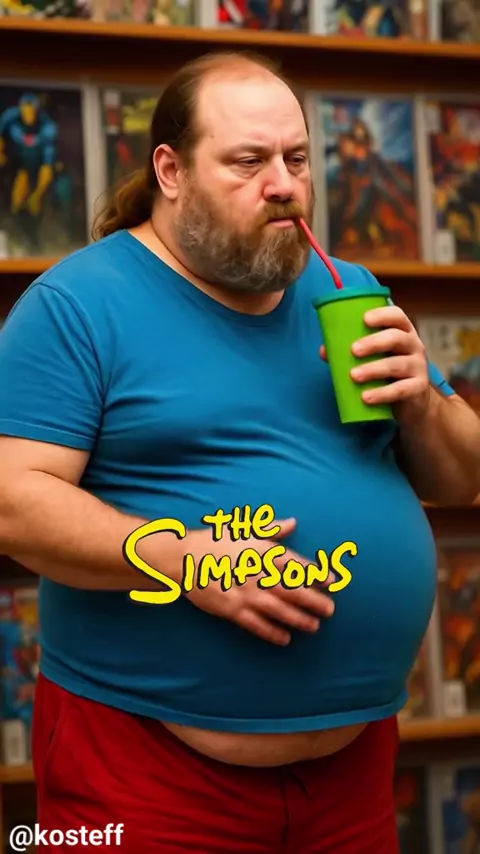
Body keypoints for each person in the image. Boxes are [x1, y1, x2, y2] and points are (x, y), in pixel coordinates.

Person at [0, 50, 479, 854]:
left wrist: (423, 401)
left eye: (297, 159)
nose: (283, 184)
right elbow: (13, 501)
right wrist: (181, 559)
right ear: (171, 171)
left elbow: (461, 479)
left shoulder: (348, 289)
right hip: (144, 770)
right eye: (249, 162)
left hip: (355, 772)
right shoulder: (78, 304)